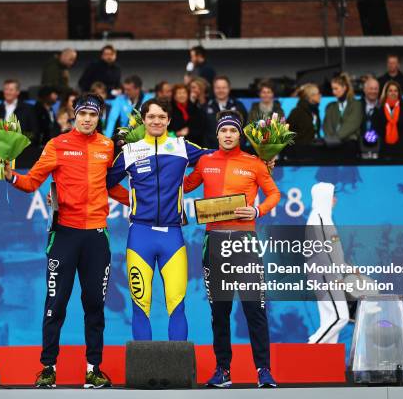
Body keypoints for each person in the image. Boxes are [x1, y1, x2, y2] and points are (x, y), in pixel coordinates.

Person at [0, 94, 128, 389]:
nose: (87, 119)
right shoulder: (57, 145)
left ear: (99, 118)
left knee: (95, 305)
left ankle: (94, 369)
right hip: (64, 235)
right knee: (56, 304)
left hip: (96, 237)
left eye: (93, 115)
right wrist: (10, 175)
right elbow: (31, 183)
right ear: (73, 115)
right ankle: (47, 368)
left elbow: (112, 188)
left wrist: (140, 203)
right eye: (82, 114)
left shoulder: (107, 147)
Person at [183, 110, 281, 389]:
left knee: (254, 308)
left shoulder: (254, 163)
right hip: (213, 242)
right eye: (224, 131)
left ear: (240, 135)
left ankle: (263, 370)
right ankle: (223, 370)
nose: (228, 135)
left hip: (245, 241)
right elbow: (184, 186)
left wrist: (257, 209)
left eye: (233, 131)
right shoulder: (205, 161)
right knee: (220, 311)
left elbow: (274, 193)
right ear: (217, 134)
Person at [106, 98, 213, 341]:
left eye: (161, 117)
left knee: (176, 303)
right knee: (140, 304)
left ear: (169, 120)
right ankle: (144, 376)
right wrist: (132, 202)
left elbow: (214, 158)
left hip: (172, 236)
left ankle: (178, 372)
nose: (156, 121)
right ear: (143, 120)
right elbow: (105, 184)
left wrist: (261, 161)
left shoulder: (181, 146)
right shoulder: (129, 152)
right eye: (151, 117)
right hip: (140, 235)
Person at [306, 182, 351, 344]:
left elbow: (334, 252)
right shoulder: (319, 218)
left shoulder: (323, 217)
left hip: (326, 275)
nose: (335, 200)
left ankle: (325, 365)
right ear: (324, 197)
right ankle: (309, 349)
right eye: (333, 196)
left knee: (329, 321)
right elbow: (323, 253)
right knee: (340, 317)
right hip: (326, 275)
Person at [204, 76, 247, 148]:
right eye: (218, 88)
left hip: (235, 152)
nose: (221, 90)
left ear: (229, 89)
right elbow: (203, 131)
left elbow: (245, 128)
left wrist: (240, 146)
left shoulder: (238, 106)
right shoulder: (206, 107)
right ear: (213, 89)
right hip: (211, 151)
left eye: (224, 88)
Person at [0, 79, 38, 144]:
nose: (8, 92)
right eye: (6, 89)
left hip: (20, 149)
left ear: (18, 92)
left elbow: (34, 133)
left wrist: (18, 138)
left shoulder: (28, 109)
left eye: (11, 90)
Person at [323, 73, 363, 144]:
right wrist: (331, 139)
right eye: (332, 89)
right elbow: (327, 126)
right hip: (332, 144)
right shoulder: (330, 107)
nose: (333, 92)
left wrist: (335, 138)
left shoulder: (356, 105)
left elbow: (352, 124)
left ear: (344, 87)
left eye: (336, 88)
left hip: (349, 144)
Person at [372, 81, 403, 146]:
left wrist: (399, 144)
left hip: (401, 146)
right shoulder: (378, 109)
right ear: (386, 93)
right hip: (382, 147)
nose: (393, 93)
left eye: (395, 91)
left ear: (399, 93)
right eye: (390, 91)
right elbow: (376, 130)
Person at [359, 77, 380, 146]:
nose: (373, 91)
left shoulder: (383, 106)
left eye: (376, 89)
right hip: (359, 143)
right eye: (371, 88)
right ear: (364, 90)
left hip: (379, 143)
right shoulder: (356, 106)